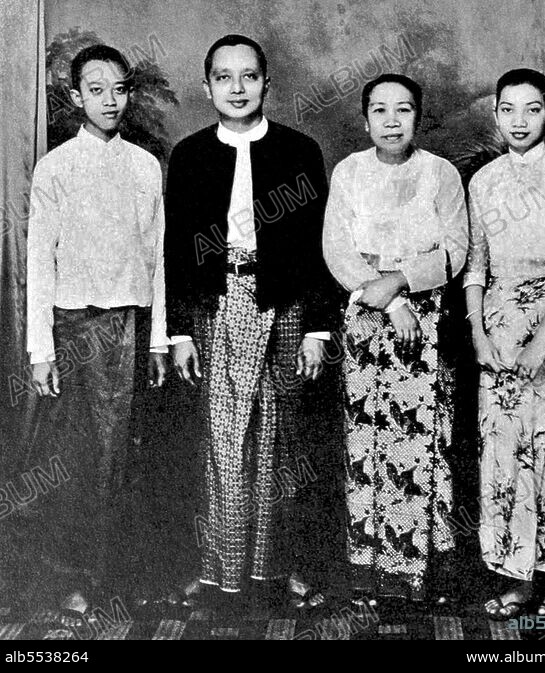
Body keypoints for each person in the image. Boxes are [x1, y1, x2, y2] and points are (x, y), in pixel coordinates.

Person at [164, 34, 334, 609]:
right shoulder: (189, 155)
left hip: (284, 304)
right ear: (207, 85)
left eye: (249, 77)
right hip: (217, 305)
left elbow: (317, 246)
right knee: (222, 441)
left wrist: (316, 327)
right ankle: (218, 570)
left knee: (279, 438)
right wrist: (181, 331)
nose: (238, 89)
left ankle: (276, 568)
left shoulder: (299, 150)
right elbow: (176, 250)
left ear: (267, 83)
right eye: (224, 77)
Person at [26, 44, 169, 617]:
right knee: (76, 458)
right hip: (74, 328)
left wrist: (157, 339)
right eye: (96, 89)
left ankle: (118, 578)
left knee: (126, 456)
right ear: (75, 96)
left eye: (119, 89)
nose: (110, 101)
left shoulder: (145, 165)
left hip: (129, 326)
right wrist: (42, 350)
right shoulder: (55, 166)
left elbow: (157, 258)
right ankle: (74, 582)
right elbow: (40, 261)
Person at [323, 74, 468, 602]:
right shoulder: (348, 172)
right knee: (367, 439)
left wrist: (405, 284)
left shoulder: (441, 173)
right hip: (365, 311)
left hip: (425, 321)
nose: (390, 121)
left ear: (417, 117)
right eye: (379, 111)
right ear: (365, 119)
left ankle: (419, 569)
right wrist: (390, 296)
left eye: (402, 110)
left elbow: (455, 250)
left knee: (421, 440)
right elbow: (336, 250)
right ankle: (367, 566)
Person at [464, 68, 545, 620]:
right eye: (509, 109)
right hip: (497, 327)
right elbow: (475, 262)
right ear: (496, 113)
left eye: (533, 109)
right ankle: (516, 579)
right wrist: (476, 330)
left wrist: (543, 337)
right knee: (506, 454)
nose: (520, 121)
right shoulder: (483, 181)